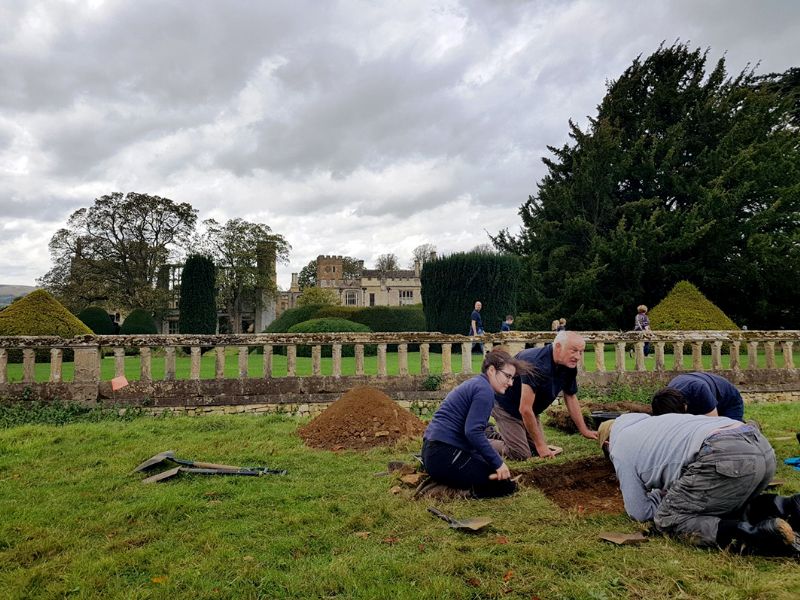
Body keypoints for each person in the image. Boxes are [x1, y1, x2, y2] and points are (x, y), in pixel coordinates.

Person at [598, 413, 800, 554]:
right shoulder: (654, 423)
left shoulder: (618, 445)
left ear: (607, 444)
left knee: (668, 518)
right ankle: (788, 506)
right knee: (718, 500)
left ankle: (756, 536)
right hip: (759, 446)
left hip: (724, 456)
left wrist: (662, 496)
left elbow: (639, 511)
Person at [421, 349, 533, 498]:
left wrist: (493, 462)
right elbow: (473, 432)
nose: (511, 383)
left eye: (512, 378)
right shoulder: (484, 390)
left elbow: (471, 433)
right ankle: (449, 492)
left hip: (434, 452)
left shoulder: (478, 384)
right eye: (508, 376)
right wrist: (498, 463)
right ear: (492, 370)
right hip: (443, 455)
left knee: (494, 470)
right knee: (505, 486)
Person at [492, 331, 597, 460]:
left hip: (530, 411)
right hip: (505, 406)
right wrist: (541, 446)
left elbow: (570, 396)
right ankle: (481, 440)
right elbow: (524, 409)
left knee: (535, 449)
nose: (578, 357)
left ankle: (508, 436)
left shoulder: (568, 365)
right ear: (558, 346)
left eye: (581, 352)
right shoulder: (535, 363)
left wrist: (584, 430)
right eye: (574, 351)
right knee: (521, 454)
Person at [651, 372, 745, 422]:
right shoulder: (665, 400)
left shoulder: (699, 389)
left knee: (729, 436)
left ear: (685, 405)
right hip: (704, 397)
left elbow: (713, 424)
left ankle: (751, 427)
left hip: (729, 401)